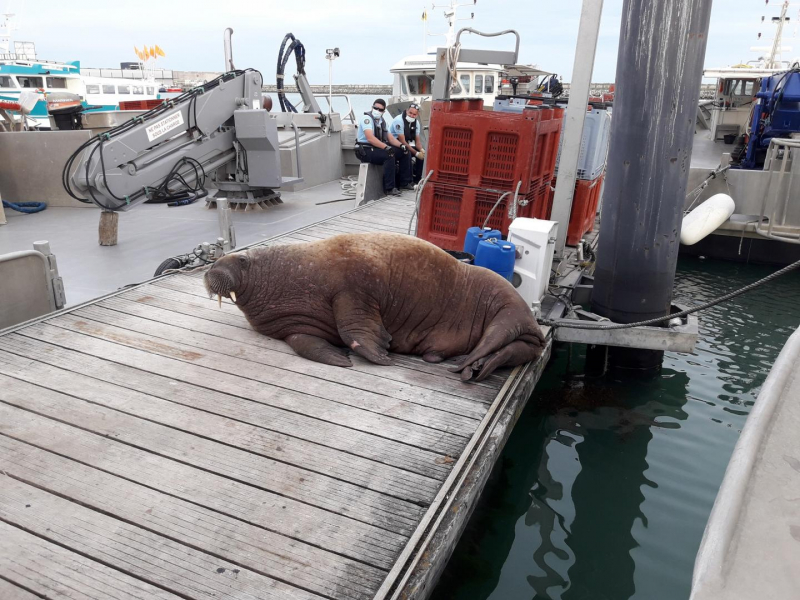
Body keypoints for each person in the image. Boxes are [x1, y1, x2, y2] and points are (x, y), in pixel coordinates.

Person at [355, 99, 406, 196]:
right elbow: (370, 138)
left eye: (380, 109)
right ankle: (389, 188)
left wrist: (402, 145)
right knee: (389, 155)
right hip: (365, 150)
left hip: (376, 148)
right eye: (375, 108)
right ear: (372, 107)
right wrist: (386, 147)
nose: (377, 111)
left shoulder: (382, 122)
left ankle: (405, 182)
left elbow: (390, 139)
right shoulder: (367, 119)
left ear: (384, 112)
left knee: (403, 152)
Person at [389, 103, 426, 188]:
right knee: (407, 153)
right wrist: (416, 153)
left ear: (417, 115)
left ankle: (418, 179)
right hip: (396, 144)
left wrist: (421, 150)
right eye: (410, 113)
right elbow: (402, 141)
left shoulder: (416, 123)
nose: (412, 116)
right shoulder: (398, 121)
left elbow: (417, 142)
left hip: (406, 144)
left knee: (422, 157)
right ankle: (405, 182)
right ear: (406, 111)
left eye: (414, 114)